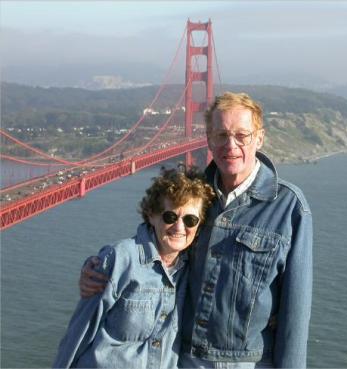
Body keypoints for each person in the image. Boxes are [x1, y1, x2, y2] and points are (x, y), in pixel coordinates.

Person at [79, 92, 313, 368]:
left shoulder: (289, 207)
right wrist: (102, 268)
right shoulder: (191, 194)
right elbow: (151, 247)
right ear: (209, 140)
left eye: (242, 135)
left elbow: (295, 313)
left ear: (259, 138)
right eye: (221, 135)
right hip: (182, 357)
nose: (231, 145)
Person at [53, 166, 215, 368]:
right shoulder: (120, 260)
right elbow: (79, 334)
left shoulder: (193, 268)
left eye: (190, 220)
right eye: (170, 217)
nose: (180, 227)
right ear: (152, 215)